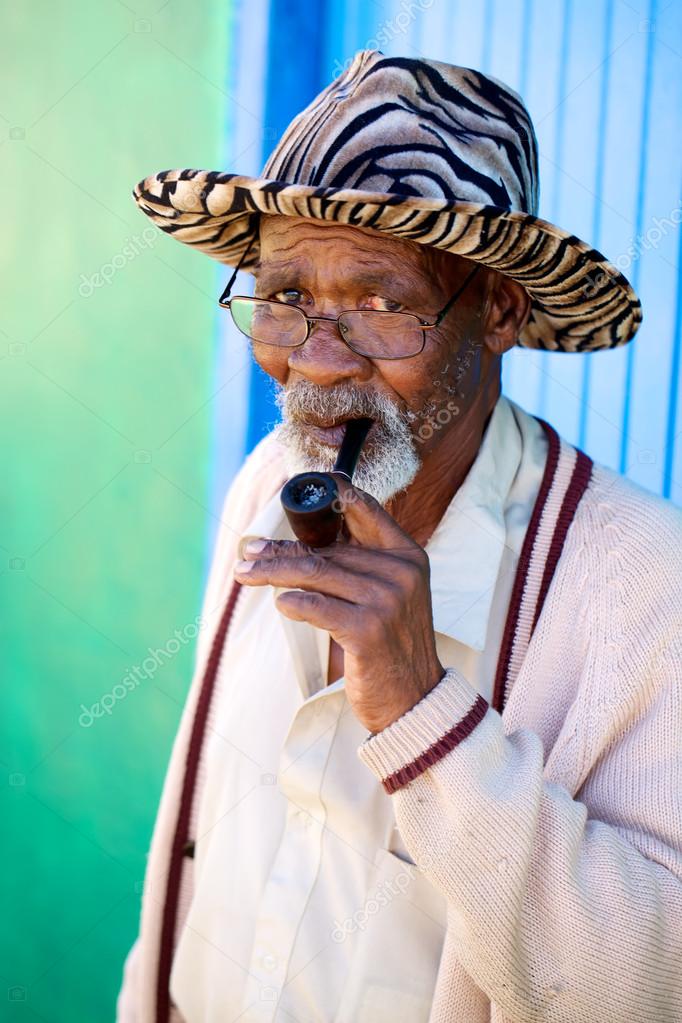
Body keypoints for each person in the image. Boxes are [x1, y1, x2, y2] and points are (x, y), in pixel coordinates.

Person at [117, 50, 682, 1023]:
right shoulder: (264, 482)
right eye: (287, 295)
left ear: (498, 309)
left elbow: (646, 986)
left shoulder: (642, 584)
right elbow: (195, 850)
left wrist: (421, 712)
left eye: (379, 303)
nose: (318, 362)